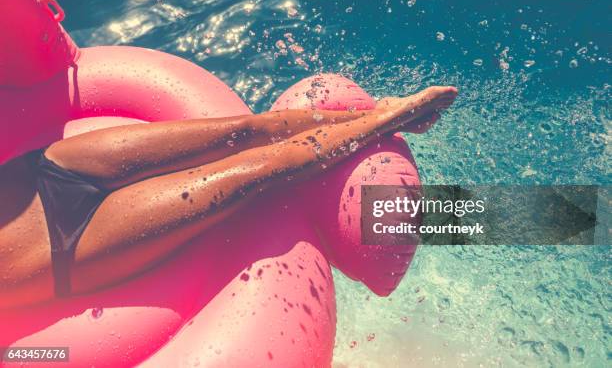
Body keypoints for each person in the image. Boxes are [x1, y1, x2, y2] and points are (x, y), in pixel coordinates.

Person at [0, 85, 457, 307]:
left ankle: (377, 114)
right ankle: (389, 119)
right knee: (252, 173)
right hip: (62, 248)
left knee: (241, 132)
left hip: (45, 172)